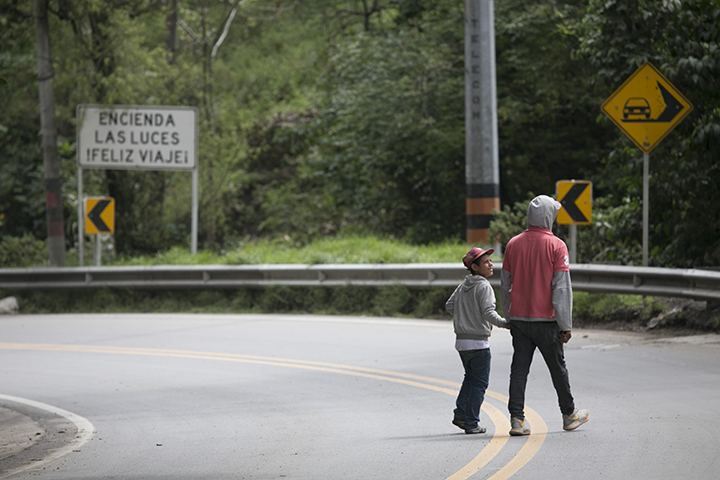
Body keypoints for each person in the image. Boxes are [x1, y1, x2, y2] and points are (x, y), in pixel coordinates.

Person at [500, 195, 589, 436]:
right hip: (547, 322)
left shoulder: (512, 245)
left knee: (519, 370)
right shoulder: (557, 246)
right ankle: (569, 415)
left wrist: (508, 315)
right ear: (548, 216)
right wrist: (565, 324)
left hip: (519, 320)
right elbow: (561, 288)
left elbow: (505, 285)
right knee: (557, 369)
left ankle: (517, 420)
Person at [446, 247, 509, 434]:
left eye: (490, 261)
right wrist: (506, 324)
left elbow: (449, 305)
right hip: (478, 343)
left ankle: (460, 415)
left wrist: (464, 317)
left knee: (470, 379)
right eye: (486, 262)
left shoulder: (464, 285)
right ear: (474, 266)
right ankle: (471, 422)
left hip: (462, 343)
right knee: (479, 384)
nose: (491, 265)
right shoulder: (483, 286)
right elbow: (489, 313)